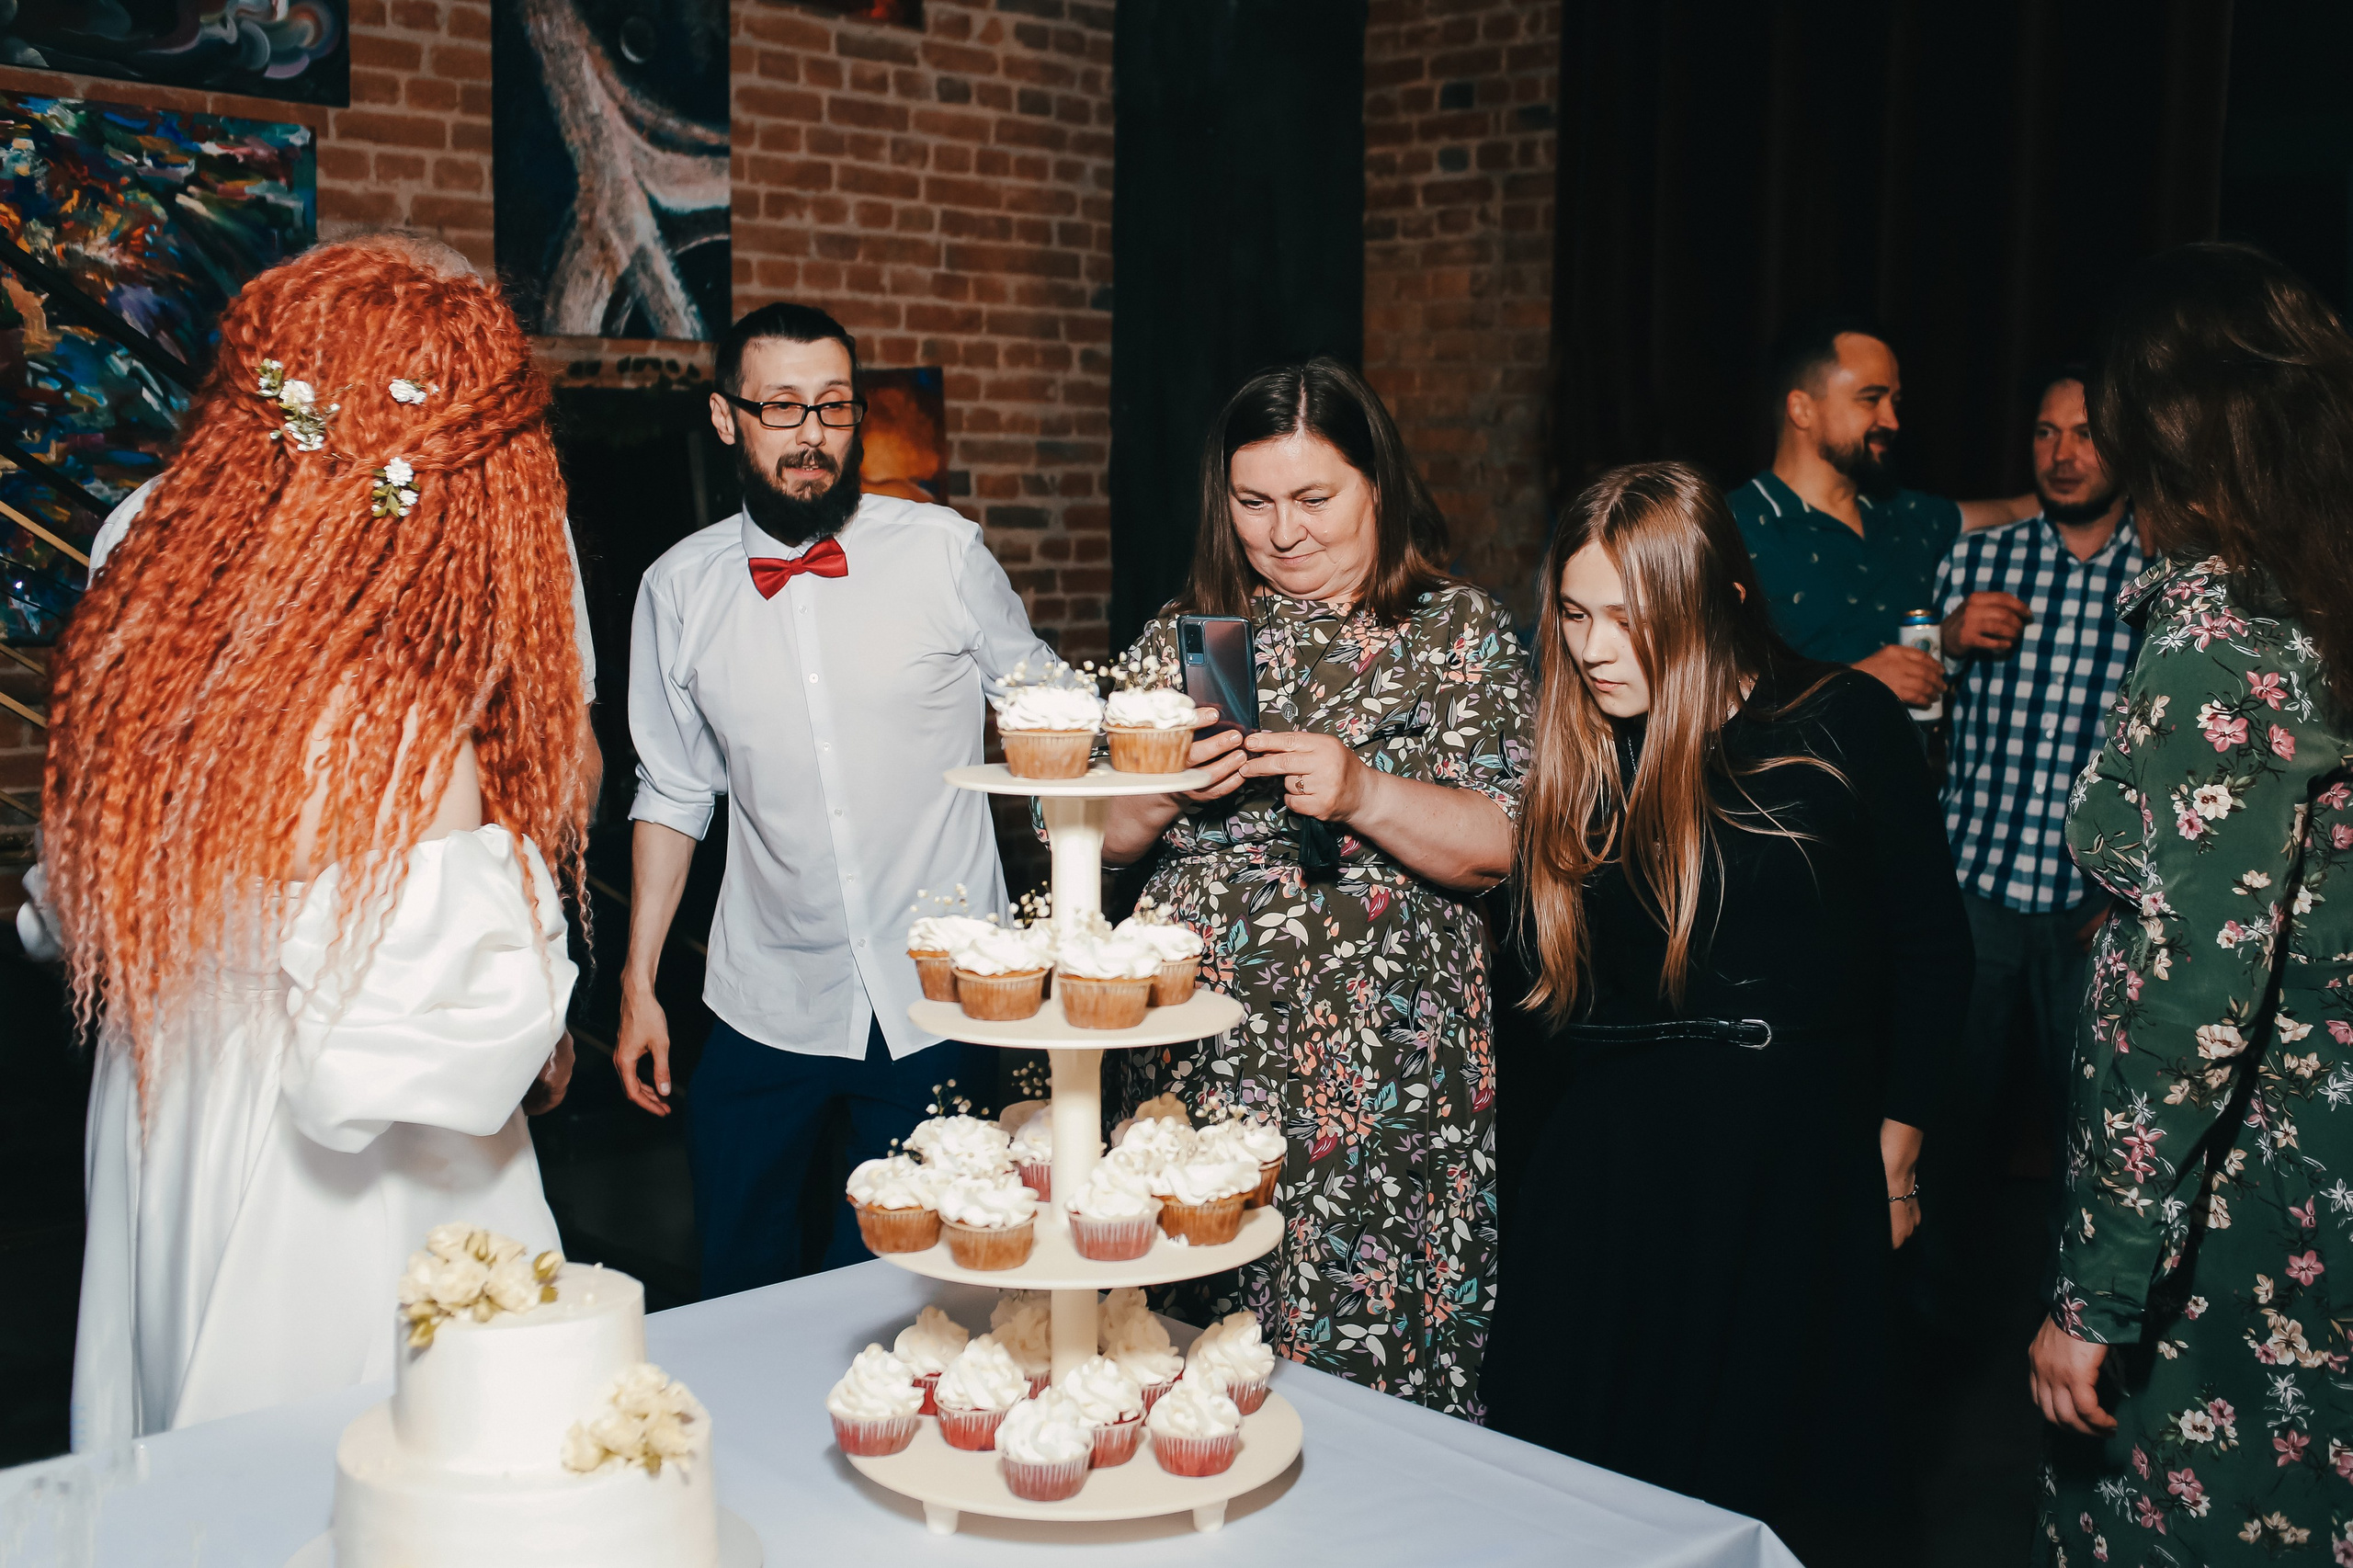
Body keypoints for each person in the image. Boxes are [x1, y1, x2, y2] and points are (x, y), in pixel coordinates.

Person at [42, 236, 592, 1448]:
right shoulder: (395, 719)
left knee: (172, 1449)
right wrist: (524, 996)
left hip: (166, 1103)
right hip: (329, 1192)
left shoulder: (145, 587)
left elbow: (75, 882)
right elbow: (429, 1056)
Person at [1482, 461, 1970, 1565]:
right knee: (1589, 1501)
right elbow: (1538, 1007)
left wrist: (1895, 1158)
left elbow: (1933, 954)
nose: (1594, 646)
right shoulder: (1578, 751)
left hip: (1787, 1169)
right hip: (1610, 1180)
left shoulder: (1843, 719)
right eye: (1572, 613)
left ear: (1716, 601)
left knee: (1774, 1489)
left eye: (1627, 616)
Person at [1097, 358, 1529, 1417]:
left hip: (1384, 1071)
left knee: (1367, 1352)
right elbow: (1092, 842)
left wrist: (1364, 790)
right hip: (1199, 1051)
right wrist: (1154, 796)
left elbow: (1502, 840)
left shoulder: (1452, 631)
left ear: (1376, 481)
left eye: (1312, 499)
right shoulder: (1194, 634)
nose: (1282, 532)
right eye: (1253, 503)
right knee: (1190, 1350)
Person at [618, 302, 1050, 1297]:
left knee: (922, 1297)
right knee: (739, 1290)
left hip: (934, 1004)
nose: (812, 434)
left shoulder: (942, 551)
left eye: (834, 407)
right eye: (781, 407)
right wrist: (640, 983)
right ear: (727, 419)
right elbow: (675, 790)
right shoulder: (677, 589)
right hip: (764, 1002)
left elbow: (1044, 718)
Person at [2029, 247, 2353, 1563]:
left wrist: (2099, 1293)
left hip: (2228, 1219)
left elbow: (2191, 1009)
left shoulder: (2225, 635)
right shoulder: (2320, 598)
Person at [1912, 364, 2144, 1335]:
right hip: (1976, 890)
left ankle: (2079, 1326)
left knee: (2093, 1135)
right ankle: (1927, 1333)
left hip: (2093, 913)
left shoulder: (2161, 575)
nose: (2060, 452)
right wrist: (1948, 645)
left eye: (2083, 432)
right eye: (2045, 434)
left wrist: (2131, 890)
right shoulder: (1979, 562)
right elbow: (1915, 720)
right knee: (1949, 1128)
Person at [1730, 310, 2032, 709]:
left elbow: (2016, 510)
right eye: (1870, 399)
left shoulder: (1905, 515)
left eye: (1894, 401)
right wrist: (1855, 681)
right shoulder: (1729, 526)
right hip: (1796, 771)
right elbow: (1703, 694)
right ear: (1801, 409)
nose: (1891, 420)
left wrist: (2128, 478)